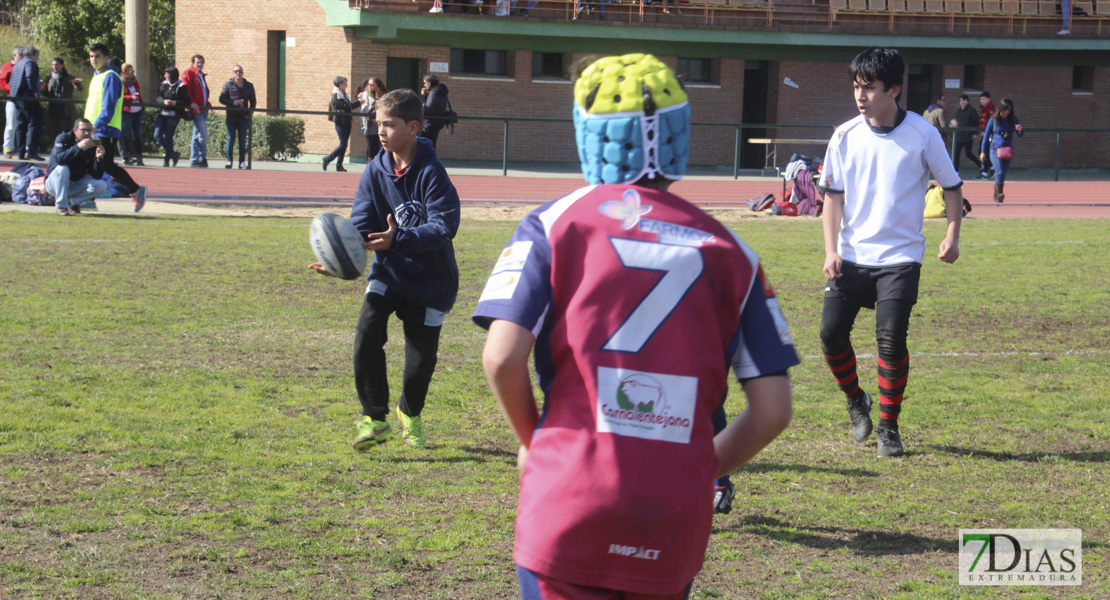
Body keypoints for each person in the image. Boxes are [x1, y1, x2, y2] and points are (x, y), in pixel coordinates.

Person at [473, 53, 797, 598]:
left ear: (587, 135)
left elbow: (501, 358)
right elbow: (774, 410)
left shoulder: (553, 225)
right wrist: (694, 466)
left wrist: (534, 441)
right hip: (670, 514)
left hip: (569, 496)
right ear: (679, 137)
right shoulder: (730, 250)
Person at [818, 47, 963, 458]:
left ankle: (888, 427)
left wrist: (952, 235)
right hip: (851, 255)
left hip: (901, 258)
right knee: (830, 335)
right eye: (856, 88)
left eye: (869, 88)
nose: (859, 96)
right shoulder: (845, 135)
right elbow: (832, 198)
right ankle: (854, 399)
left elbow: (951, 186)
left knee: (890, 339)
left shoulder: (922, 133)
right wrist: (831, 250)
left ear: (894, 89)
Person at [308, 88, 460, 451]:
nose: (380, 131)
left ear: (412, 126)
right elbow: (361, 223)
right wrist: (340, 257)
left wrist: (399, 238)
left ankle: (410, 412)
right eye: (377, 123)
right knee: (367, 332)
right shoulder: (375, 170)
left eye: (389, 125)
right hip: (389, 273)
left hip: (431, 282)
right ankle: (374, 418)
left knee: (419, 364)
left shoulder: (431, 171)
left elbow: (444, 227)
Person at [84, 43, 147, 212]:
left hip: (105, 129)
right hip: (95, 129)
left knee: (103, 163)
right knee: (99, 163)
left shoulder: (110, 76)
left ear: (106, 57)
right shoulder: (97, 76)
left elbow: (108, 106)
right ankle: (134, 190)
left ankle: (90, 198)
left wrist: (96, 125)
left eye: (97, 56)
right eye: (91, 56)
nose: (93, 60)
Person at [45, 117, 109, 216]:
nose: (87, 133)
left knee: (102, 185)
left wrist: (99, 159)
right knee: (63, 168)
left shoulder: (94, 142)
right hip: (54, 183)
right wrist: (78, 147)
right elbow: (60, 160)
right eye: (83, 130)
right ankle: (61, 206)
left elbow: (97, 175)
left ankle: (73, 203)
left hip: (75, 183)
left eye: (89, 130)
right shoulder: (63, 138)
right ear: (75, 130)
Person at [979, 97, 1023, 204]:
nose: (1007, 112)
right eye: (1005, 109)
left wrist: (1020, 129)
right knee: (999, 171)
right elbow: (986, 137)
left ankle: (996, 193)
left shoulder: (1013, 120)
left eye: (1010, 110)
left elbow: (1021, 135)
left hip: (1008, 150)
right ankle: (1000, 193)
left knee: (1003, 173)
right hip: (995, 150)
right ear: (1001, 109)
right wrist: (983, 152)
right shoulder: (993, 120)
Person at [219, 64, 256, 170]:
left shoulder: (248, 85)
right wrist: (232, 102)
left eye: (240, 71)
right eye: (236, 72)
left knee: (242, 140)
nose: (238, 73)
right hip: (231, 116)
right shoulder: (228, 85)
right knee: (230, 139)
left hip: (243, 117)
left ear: (243, 73)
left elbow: (253, 101)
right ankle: (229, 160)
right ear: (233, 73)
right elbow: (221, 99)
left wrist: (248, 115)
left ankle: (242, 162)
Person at [11, 46, 44, 161]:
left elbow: (12, 81)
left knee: (21, 124)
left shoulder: (18, 63)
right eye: (37, 56)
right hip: (27, 98)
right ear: (32, 55)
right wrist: (34, 91)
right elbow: (29, 76)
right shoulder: (30, 63)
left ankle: (20, 152)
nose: (37, 59)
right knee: (35, 122)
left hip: (17, 97)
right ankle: (31, 151)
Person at [181, 54, 211, 168]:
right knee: (203, 134)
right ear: (193, 63)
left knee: (196, 135)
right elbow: (186, 90)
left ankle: (194, 159)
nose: (200, 65)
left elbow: (203, 91)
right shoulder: (188, 73)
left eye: (202, 62)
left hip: (203, 109)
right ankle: (202, 156)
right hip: (196, 109)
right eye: (198, 62)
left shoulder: (201, 75)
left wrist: (207, 103)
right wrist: (192, 102)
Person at [155, 67, 189, 167]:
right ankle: (173, 154)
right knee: (157, 136)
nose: (165, 75)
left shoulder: (181, 86)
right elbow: (157, 96)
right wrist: (163, 101)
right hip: (162, 114)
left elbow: (186, 101)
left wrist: (176, 103)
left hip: (173, 116)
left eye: (167, 74)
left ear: (172, 75)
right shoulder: (164, 85)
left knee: (169, 137)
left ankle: (166, 160)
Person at [44, 57, 83, 141]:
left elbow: (79, 89)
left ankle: (67, 147)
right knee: (55, 129)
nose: (55, 66)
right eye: (53, 64)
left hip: (65, 108)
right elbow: (47, 94)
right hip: (53, 107)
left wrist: (76, 83)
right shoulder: (49, 78)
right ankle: (56, 147)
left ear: (62, 65)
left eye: (57, 64)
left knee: (67, 129)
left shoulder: (69, 77)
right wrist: (42, 89)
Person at [323, 76, 353, 172]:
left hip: (347, 121)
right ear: (340, 84)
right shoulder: (336, 95)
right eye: (345, 83)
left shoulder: (344, 95)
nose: (346, 85)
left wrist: (356, 104)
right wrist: (358, 103)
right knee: (343, 144)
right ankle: (328, 159)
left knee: (344, 144)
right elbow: (344, 106)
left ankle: (339, 165)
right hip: (340, 121)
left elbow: (349, 106)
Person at [120, 63, 145, 165]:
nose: (132, 73)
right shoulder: (121, 82)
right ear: (124, 72)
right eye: (130, 72)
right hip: (127, 112)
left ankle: (139, 157)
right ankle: (126, 156)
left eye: (133, 71)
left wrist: (137, 96)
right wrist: (130, 97)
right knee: (125, 135)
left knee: (137, 135)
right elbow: (121, 96)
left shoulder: (135, 82)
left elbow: (138, 92)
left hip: (137, 110)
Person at [357, 77, 386, 162]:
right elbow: (364, 108)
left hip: (379, 122)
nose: (370, 86)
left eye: (372, 85)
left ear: (377, 85)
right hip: (369, 122)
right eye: (369, 84)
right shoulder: (366, 94)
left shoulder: (383, 94)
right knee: (370, 143)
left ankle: (377, 161)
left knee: (378, 143)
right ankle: (369, 161)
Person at [952, 94, 982, 174]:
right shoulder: (959, 111)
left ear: (967, 101)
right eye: (961, 101)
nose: (962, 102)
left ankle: (980, 165)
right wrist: (953, 124)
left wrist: (975, 133)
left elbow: (977, 121)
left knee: (968, 154)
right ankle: (956, 171)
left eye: (964, 100)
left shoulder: (971, 110)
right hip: (959, 136)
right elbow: (957, 121)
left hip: (968, 136)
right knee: (956, 154)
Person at [1, 46, 22, 158]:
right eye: (20, 55)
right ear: (14, 55)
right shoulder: (6, 67)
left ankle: (23, 149)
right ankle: (8, 148)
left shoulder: (26, 65)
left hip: (25, 100)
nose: (22, 57)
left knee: (24, 125)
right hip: (12, 99)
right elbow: (1, 82)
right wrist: (13, 88)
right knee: (10, 124)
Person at [419, 74, 449, 149]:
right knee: (432, 143)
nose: (424, 85)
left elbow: (429, 110)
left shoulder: (434, 94)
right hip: (438, 122)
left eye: (425, 83)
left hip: (430, 123)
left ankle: (425, 159)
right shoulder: (441, 92)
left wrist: (423, 105)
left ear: (429, 83)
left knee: (423, 143)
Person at [976, 91, 995, 179]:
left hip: (987, 134)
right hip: (982, 134)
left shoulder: (991, 108)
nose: (982, 100)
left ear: (988, 99)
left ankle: (985, 172)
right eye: (981, 99)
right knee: (981, 152)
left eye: (984, 99)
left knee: (984, 152)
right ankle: (992, 167)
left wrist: (988, 132)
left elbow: (992, 121)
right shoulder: (983, 108)